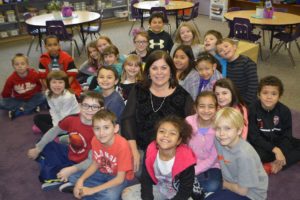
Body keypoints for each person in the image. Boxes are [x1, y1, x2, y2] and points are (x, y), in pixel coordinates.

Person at [121, 50, 194, 176]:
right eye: (154, 68)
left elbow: (188, 131)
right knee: (136, 170)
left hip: (168, 152)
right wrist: (133, 150)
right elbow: (128, 119)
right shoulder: (138, 89)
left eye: (164, 68)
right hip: (139, 147)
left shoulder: (183, 97)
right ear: (148, 71)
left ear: (171, 71)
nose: (159, 73)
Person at [27, 91, 104, 190]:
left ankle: (64, 176)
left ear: (101, 109)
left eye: (94, 107)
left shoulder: (101, 130)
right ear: (80, 105)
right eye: (86, 105)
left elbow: (93, 160)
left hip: (83, 163)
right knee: (42, 144)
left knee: (45, 176)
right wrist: (38, 149)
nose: (89, 110)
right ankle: (59, 171)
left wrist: (72, 169)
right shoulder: (72, 119)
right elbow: (54, 131)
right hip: (69, 153)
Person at [122, 115, 203, 200]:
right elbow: (146, 180)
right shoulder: (150, 150)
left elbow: (185, 190)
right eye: (162, 131)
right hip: (161, 188)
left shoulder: (186, 158)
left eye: (172, 133)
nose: (166, 135)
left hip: (181, 193)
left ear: (179, 141)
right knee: (127, 194)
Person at [59, 109, 134, 199]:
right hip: (102, 172)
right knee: (73, 177)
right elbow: (96, 163)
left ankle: (89, 191)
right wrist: (81, 179)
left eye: (106, 127)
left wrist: (92, 190)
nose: (101, 133)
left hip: (118, 177)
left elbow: (119, 179)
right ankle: (90, 190)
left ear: (116, 128)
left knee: (110, 196)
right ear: (93, 129)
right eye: (97, 128)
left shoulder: (122, 146)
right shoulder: (95, 140)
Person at [206, 107, 268, 200]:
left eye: (227, 128)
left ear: (239, 130)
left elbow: (243, 191)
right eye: (218, 128)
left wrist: (224, 184)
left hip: (251, 194)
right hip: (232, 182)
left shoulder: (245, 155)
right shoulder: (219, 140)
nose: (222, 133)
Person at [248, 76, 300, 174]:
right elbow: (254, 137)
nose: (269, 97)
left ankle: (277, 164)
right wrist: (275, 150)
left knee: (290, 144)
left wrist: (281, 150)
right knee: (254, 155)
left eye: (274, 94)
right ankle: (283, 160)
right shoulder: (252, 109)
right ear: (259, 94)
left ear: (279, 96)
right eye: (265, 93)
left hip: (279, 143)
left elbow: (287, 136)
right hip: (262, 146)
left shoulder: (285, 111)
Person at [186, 91, 222, 195]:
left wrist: (193, 172)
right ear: (195, 108)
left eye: (210, 107)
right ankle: (192, 185)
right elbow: (183, 146)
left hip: (213, 165)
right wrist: (188, 167)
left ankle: (190, 185)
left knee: (212, 185)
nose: (206, 110)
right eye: (202, 106)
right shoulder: (188, 122)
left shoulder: (219, 128)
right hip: (190, 162)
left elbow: (212, 159)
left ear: (216, 108)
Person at [0, 53, 45, 120]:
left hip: (33, 97)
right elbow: (6, 93)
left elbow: (39, 85)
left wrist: (39, 92)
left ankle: (19, 111)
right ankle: (32, 107)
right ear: (13, 66)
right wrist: (7, 100)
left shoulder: (34, 74)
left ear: (27, 65)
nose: (20, 66)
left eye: (22, 64)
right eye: (17, 64)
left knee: (44, 96)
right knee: (2, 103)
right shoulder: (11, 79)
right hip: (19, 99)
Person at [216, 38, 258, 106]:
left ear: (234, 47)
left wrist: (244, 102)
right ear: (220, 56)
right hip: (231, 100)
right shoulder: (223, 66)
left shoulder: (247, 62)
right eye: (221, 50)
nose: (224, 50)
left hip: (247, 101)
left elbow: (253, 85)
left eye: (226, 46)